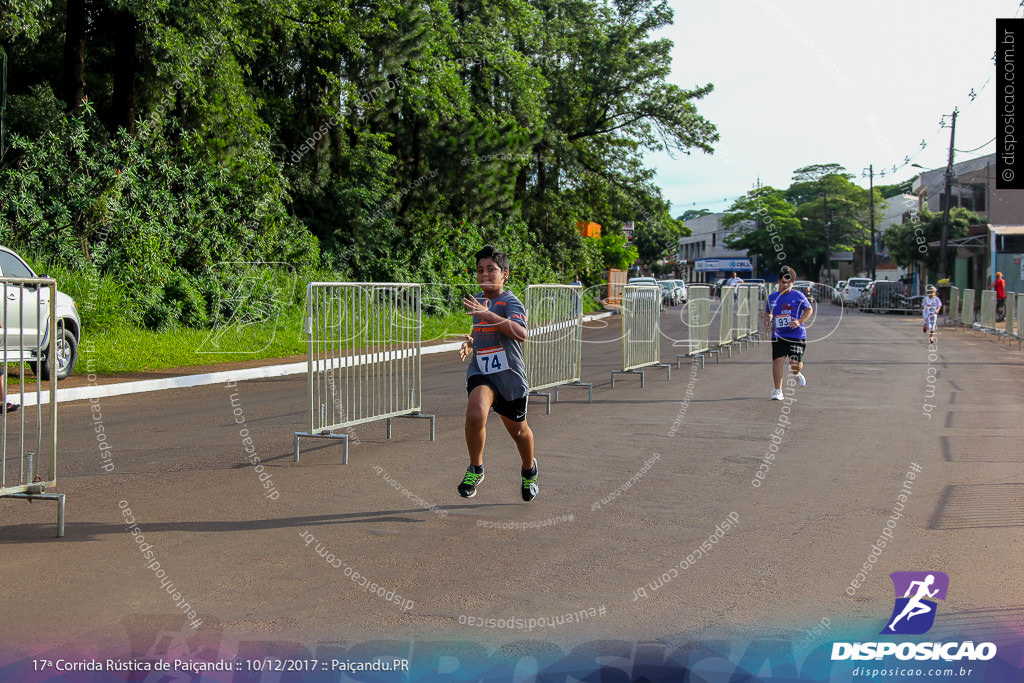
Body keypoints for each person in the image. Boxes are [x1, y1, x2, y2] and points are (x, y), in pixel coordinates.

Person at [457, 245, 538, 501]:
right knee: (475, 413)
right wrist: (471, 341)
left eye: (491, 270)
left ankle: (529, 469)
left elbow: (521, 334)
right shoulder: (479, 301)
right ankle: (476, 467)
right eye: (480, 270)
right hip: (483, 373)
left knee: (519, 432)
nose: (484, 275)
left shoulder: (510, 301)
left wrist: (489, 315)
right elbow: (484, 329)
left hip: (510, 378)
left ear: (505, 274)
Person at [764, 266, 813, 400]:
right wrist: (767, 319)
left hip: (796, 334)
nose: (785, 285)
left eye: (788, 283)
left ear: (793, 283)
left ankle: (797, 373)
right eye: (783, 282)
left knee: (794, 363)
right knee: (777, 362)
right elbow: (768, 312)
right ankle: (777, 390)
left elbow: (809, 310)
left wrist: (799, 321)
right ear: (778, 281)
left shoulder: (798, 296)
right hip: (779, 335)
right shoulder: (772, 297)